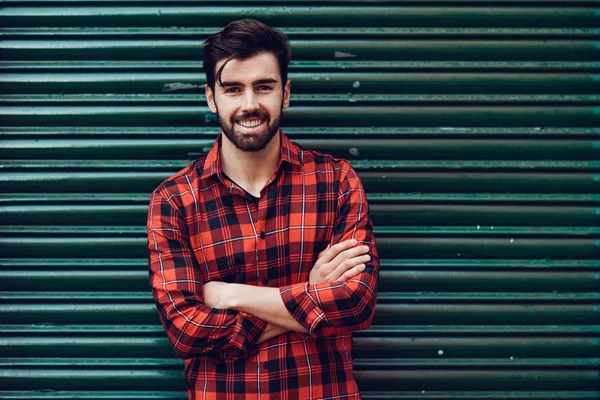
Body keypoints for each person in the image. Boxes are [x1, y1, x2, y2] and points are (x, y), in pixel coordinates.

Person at [147, 19, 379, 400]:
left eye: (264, 86)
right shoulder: (175, 201)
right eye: (233, 89)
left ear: (286, 93)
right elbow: (186, 329)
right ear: (211, 98)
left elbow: (356, 303)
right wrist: (312, 293)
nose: (250, 104)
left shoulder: (335, 181)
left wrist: (230, 295)